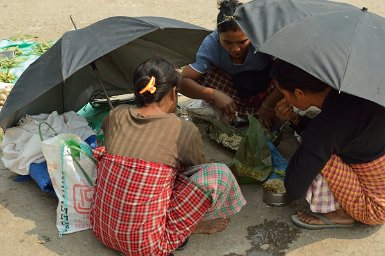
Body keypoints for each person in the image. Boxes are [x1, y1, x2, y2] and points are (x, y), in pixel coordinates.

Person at [90, 56, 246, 255]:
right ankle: (187, 228)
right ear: (173, 93)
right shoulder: (183, 129)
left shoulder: (116, 115)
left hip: (101, 229)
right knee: (217, 173)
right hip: (148, 247)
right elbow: (196, 169)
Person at [271, 60, 385, 229]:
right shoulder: (356, 90)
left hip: (375, 208)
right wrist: (295, 120)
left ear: (299, 93)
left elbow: (293, 188)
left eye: (284, 94)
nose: (284, 99)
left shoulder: (325, 127)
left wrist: (304, 149)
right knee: (320, 147)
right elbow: (336, 133)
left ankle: (341, 214)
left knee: (320, 157)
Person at [179, 0, 282, 129]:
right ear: (218, 34)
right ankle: (229, 110)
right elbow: (183, 82)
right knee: (205, 73)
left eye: (242, 42)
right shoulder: (212, 44)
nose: (235, 49)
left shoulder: (264, 38)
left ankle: (253, 112)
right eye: (227, 42)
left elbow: (288, 74)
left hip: (264, 86)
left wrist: (268, 105)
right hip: (234, 88)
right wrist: (213, 94)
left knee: (284, 79)